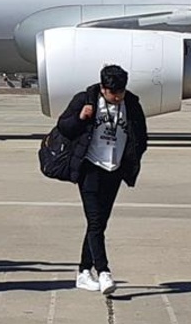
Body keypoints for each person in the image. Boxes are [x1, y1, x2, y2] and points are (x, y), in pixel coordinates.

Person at [56, 64, 148, 295]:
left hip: (114, 169)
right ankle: (104, 272)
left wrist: (132, 159)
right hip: (90, 168)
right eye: (112, 93)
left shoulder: (132, 104)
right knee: (96, 222)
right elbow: (64, 127)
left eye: (120, 92)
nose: (116, 97)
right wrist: (80, 117)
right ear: (103, 88)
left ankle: (83, 271)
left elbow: (141, 136)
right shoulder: (85, 100)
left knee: (99, 223)